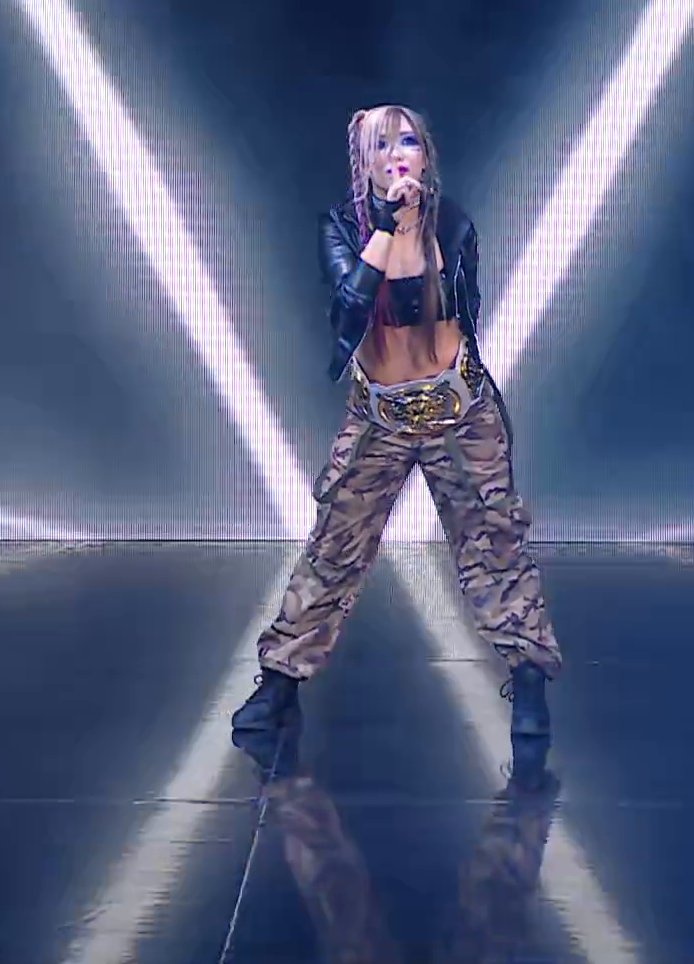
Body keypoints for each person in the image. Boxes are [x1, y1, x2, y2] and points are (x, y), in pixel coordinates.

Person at [230, 104, 562, 736]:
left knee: (494, 544)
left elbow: (457, 313)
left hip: (458, 412)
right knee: (334, 545)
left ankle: (528, 681)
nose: (396, 155)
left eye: (407, 141)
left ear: (425, 155)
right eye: (380, 145)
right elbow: (349, 307)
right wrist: (384, 224)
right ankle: (279, 683)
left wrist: (413, 226)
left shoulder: (453, 225)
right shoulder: (341, 229)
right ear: (363, 162)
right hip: (380, 415)